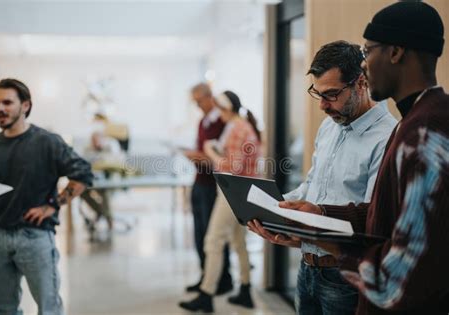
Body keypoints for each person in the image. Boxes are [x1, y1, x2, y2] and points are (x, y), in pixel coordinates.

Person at [249, 2, 449, 314]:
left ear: (394, 54)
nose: (366, 64)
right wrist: (286, 211)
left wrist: (320, 237)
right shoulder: (404, 126)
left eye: (369, 51)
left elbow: (400, 252)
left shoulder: (418, 133)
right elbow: (347, 201)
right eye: (318, 94)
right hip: (313, 268)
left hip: (349, 281)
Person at [282, 40, 397, 315]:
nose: (322, 105)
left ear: (361, 83)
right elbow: (312, 186)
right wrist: (275, 210)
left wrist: (317, 216)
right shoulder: (329, 126)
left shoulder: (387, 136)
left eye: (331, 94)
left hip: (344, 277)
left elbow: (373, 219)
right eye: (317, 93)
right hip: (307, 268)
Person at [0, 78, 93, 315]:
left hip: (36, 237)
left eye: (7, 102)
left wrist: (53, 205)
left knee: (48, 308)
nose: (0, 108)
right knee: (2, 309)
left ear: (25, 106)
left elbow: (83, 175)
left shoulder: (47, 142)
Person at [179, 90, 261, 313]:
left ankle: (206, 294)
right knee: (238, 242)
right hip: (244, 191)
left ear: (225, 108)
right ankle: (245, 290)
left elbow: (232, 167)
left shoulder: (236, 128)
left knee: (213, 241)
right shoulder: (243, 126)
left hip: (231, 191)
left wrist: (209, 152)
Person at [181, 83, 233, 295]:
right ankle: (206, 276)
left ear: (209, 97)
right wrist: (194, 155)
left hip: (216, 186)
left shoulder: (223, 122)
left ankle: (223, 280)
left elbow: (223, 158)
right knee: (200, 234)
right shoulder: (203, 122)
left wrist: (202, 157)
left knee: (216, 236)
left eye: (199, 101)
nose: (197, 105)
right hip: (200, 182)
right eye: (194, 102)